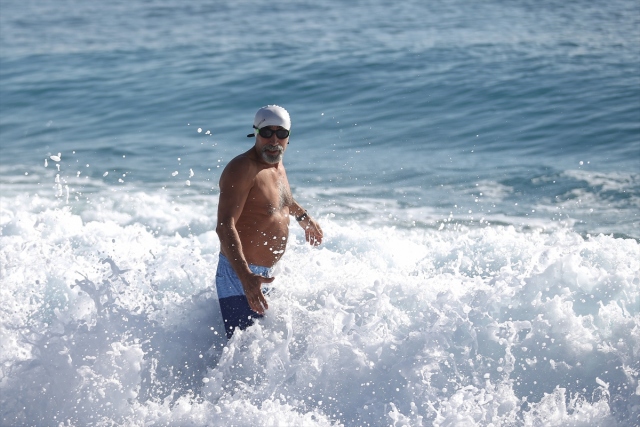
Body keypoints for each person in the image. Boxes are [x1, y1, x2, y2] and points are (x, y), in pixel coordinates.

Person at [215, 105, 323, 339]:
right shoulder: (243, 168)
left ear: (288, 137)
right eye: (267, 133)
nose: (274, 140)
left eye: (281, 133)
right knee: (242, 352)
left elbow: (282, 200)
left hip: (264, 275)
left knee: (268, 349)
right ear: (256, 133)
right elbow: (224, 226)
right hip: (240, 275)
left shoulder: (276, 164)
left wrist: (303, 217)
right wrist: (246, 277)